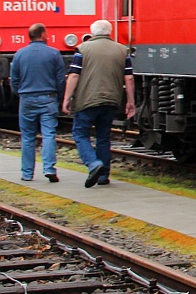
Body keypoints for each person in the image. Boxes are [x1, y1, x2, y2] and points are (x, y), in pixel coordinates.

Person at [63, 19, 135, 187]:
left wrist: (67, 98)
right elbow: (129, 77)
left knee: (80, 134)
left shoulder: (82, 49)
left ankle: (93, 164)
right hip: (111, 100)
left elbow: (74, 75)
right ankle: (103, 176)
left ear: (93, 32)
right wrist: (130, 101)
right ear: (109, 32)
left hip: (86, 101)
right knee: (103, 136)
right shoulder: (122, 50)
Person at [10, 23, 65, 182]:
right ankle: (49, 168)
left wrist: (20, 92)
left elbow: (14, 79)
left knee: (27, 136)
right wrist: (59, 96)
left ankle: (27, 173)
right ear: (42, 34)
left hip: (27, 98)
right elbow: (60, 79)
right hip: (48, 98)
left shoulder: (20, 54)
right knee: (48, 134)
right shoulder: (54, 54)